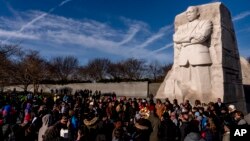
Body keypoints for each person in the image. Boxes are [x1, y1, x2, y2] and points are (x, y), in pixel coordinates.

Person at [173, 6, 213, 99]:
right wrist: (191, 37)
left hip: (199, 55)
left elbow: (202, 37)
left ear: (198, 13)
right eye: (187, 13)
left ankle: (206, 104)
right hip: (184, 58)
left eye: (191, 12)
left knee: (203, 87)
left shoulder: (205, 23)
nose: (188, 14)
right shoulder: (182, 27)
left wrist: (183, 40)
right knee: (184, 87)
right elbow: (175, 38)